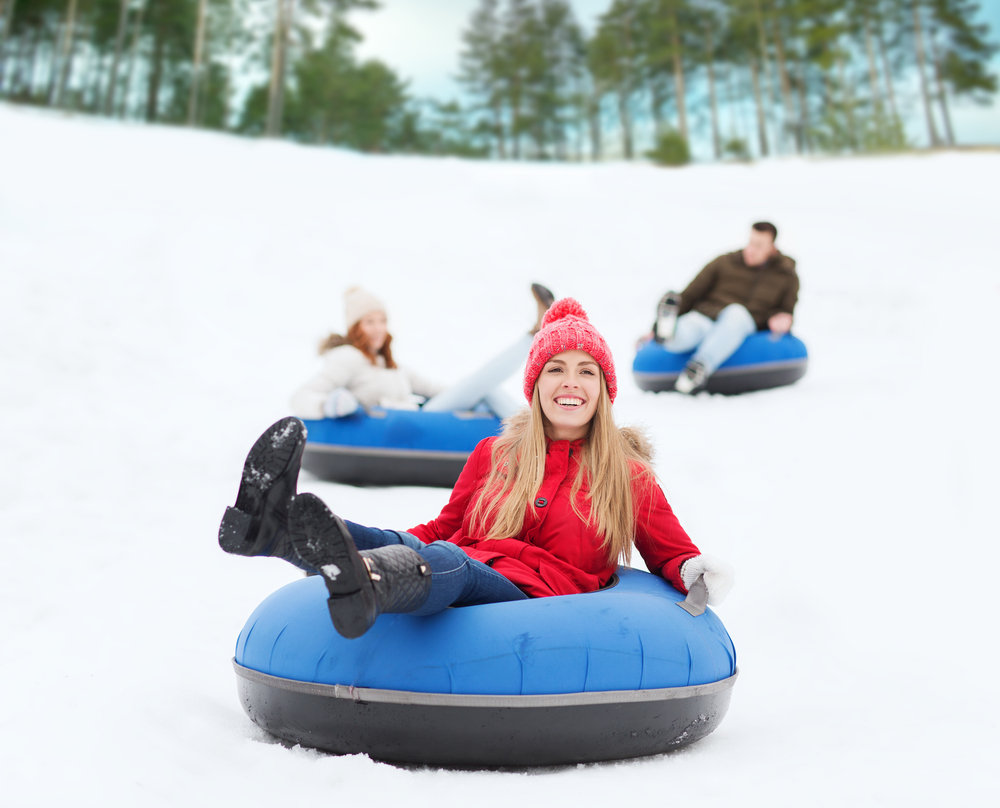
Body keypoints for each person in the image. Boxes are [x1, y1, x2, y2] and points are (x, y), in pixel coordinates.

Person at [220, 299, 734, 640]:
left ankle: (371, 581)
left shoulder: (626, 475)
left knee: (450, 560)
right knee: (426, 545)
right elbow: (444, 528)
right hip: (463, 559)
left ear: (603, 389)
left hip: (539, 595)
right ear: (534, 386)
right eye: (555, 369)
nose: (569, 383)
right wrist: (388, 539)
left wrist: (695, 571)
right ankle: (273, 530)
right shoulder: (494, 453)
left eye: (585, 371)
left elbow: (672, 551)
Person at [290, 284, 555, 421]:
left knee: (485, 390)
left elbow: (434, 388)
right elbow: (301, 397)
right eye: (369, 322)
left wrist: (467, 395)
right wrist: (328, 405)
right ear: (355, 327)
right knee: (481, 384)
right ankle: (535, 335)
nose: (378, 329)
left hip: (421, 417)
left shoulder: (389, 364)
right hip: (409, 422)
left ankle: (537, 430)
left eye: (382, 320)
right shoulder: (347, 358)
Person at [648, 221, 799, 394]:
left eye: (758, 245)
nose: (751, 250)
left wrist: (781, 318)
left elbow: (787, 309)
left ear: (772, 247)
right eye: (750, 242)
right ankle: (667, 332)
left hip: (743, 324)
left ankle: (699, 367)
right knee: (688, 330)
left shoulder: (786, 276)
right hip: (706, 315)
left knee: (737, 314)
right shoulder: (724, 262)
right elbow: (690, 294)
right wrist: (653, 329)